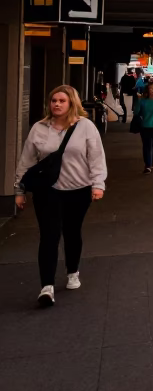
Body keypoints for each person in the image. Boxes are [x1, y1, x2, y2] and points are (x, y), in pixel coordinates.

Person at [14, 85, 108, 308]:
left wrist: (98, 184)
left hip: (79, 190)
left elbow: (96, 157)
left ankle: (72, 271)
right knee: (49, 236)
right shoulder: (39, 128)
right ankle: (46, 286)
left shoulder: (85, 127)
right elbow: (26, 161)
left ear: (71, 103)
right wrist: (19, 190)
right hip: (48, 191)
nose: (56, 104)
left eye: (61, 101)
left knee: (72, 232)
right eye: (53, 100)